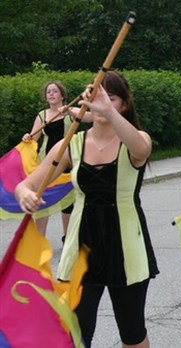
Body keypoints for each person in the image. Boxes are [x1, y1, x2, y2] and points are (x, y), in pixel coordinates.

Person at [15, 71, 159, 347]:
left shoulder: (136, 139)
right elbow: (28, 183)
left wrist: (108, 112)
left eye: (110, 98)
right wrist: (24, 194)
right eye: (95, 97)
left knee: (132, 332)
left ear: (124, 105)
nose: (101, 103)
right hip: (81, 250)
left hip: (126, 250)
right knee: (77, 333)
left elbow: (141, 149)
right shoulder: (72, 144)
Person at [21, 81, 86, 239]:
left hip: (67, 161)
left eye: (55, 91)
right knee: (42, 198)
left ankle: (67, 237)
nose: (51, 94)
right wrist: (27, 138)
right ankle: (39, 240)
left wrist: (69, 111)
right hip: (46, 162)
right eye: (48, 92)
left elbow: (87, 117)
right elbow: (34, 139)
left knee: (68, 201)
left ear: (62, 95)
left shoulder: (70, 112)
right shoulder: (42, 116)